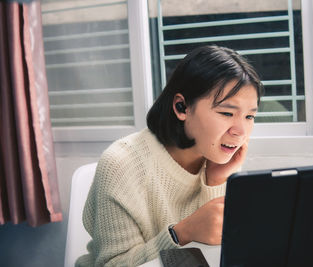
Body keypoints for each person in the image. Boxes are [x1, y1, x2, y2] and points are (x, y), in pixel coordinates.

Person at [76, 45, 263, 267]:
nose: (240, 131)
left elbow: (213, 255)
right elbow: (113, 264)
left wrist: (216, 181)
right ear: (182, 107)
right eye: (226, 113)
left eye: (250, 116)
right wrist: (182, 233)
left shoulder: (218, 158)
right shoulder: (121, 163)